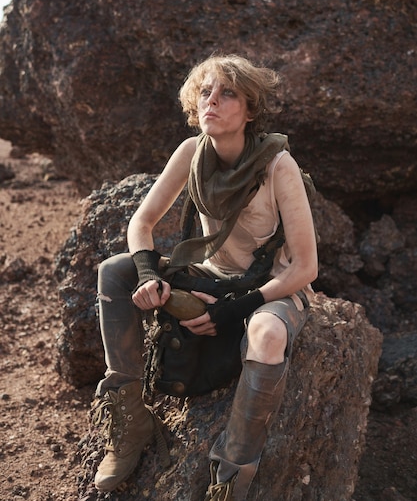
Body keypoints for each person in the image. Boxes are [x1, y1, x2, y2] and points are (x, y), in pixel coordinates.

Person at [91, 54, 318, 500]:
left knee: (268, 334)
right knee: (113, 271)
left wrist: (235, 312)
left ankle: (230, 477)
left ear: (250, 110)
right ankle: (132, 423)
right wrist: (145, 275)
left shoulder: (278, 165)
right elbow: (141, 224)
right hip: (210, 275)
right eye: (205, 92)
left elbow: (305, 268)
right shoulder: (193, 152)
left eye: (227, 93)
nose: (211, 101)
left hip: (269, 287)